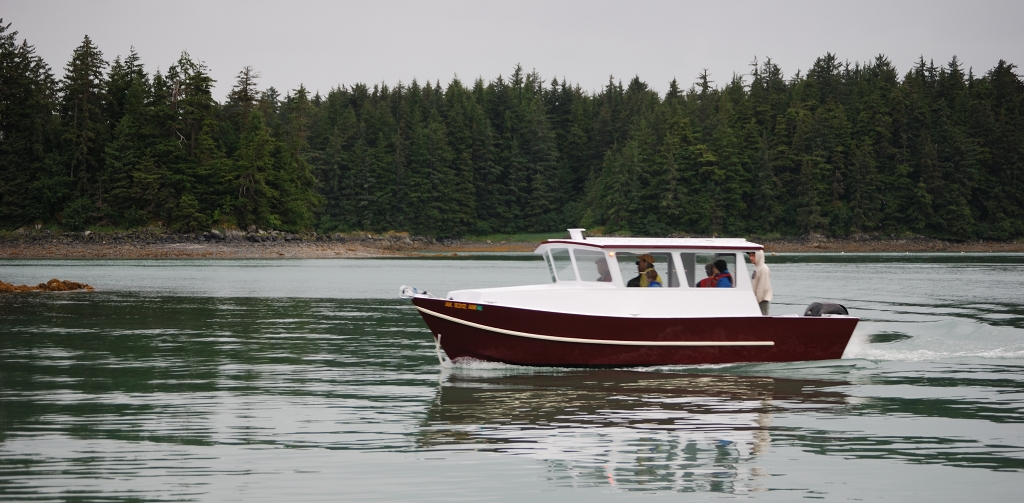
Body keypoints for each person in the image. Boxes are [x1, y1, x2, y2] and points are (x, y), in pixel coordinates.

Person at [749, 250, 773, 315]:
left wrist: (756, 301)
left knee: (762, 322)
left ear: (759, 256)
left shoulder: (763, 269)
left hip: (762, 302)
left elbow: (763, 288)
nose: (751, 258)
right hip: (757, 301)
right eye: (750, 256)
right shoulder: (757, 268)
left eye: (753, 256)